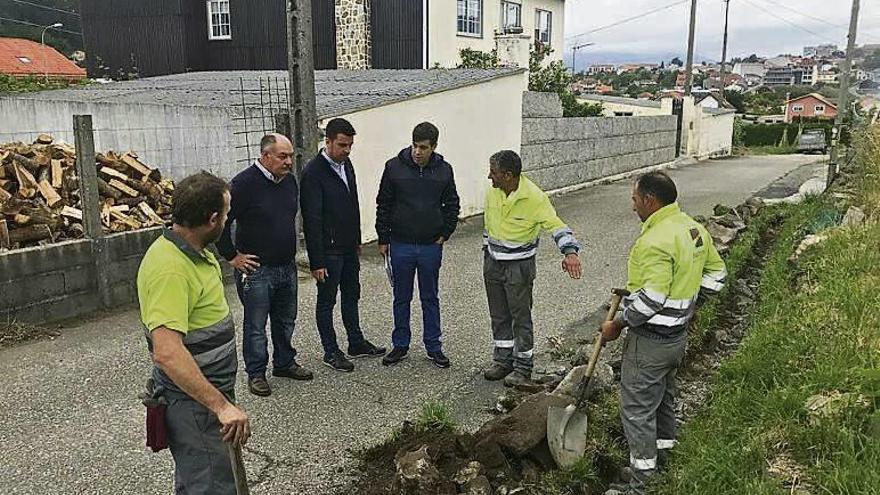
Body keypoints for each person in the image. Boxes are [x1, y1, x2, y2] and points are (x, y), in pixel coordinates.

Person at [600, 172, 727, 495]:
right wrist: (686, 305)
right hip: (677, 338)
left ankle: (642, 483)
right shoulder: (693, 229)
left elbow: (652, 299)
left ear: (649, 200)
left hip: (651, 341)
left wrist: (619, 323)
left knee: (637, 409)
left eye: (634, 200)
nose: (633, 207)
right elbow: (717, 276)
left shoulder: (655, 241)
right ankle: (662, 460)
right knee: (663, 400)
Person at [137, 171, 250, 494]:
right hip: (193, 403)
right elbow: (167, 352)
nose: (228, 220)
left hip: (205, 395)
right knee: (212, 485)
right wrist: (221, 407)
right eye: (226, 214)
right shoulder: (170, 268)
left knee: (203, 480)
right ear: (212, 219)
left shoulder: (195, 251)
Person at [217, 133, 313, 397]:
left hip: (286, 266)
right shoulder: (244, 184)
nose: (289, 161)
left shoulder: (289, 182)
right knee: (256, 325)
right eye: (283, 156)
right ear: (265, 155)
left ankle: (284, 362)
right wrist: (232, 257)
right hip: (257, 270)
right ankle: (256, 373)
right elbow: (221, 222)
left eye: (291, 156)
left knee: (285, 320)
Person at [481, 150, 583, 387]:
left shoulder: (534, 198)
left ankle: (523, 367)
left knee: (520, 317)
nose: (489, 176)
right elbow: (488, 227)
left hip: (519, 267)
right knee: (499, 315)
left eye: (493, 172)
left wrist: (570, 253)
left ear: (507, 175)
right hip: (493, 264)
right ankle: (503, 360)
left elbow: (556, 226)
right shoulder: (492, 193)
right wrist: (487, 253)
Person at [300, 118, 386, 372]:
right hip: (328, 250)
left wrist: (356, 240)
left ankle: (355, 342)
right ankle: (330, 350)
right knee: (327, 301)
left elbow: (352, 205)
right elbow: (312, 219)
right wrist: (317, 260)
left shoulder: (346, 165)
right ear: (327, 142)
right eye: (342, 145)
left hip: (348, 248)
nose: (347, 150)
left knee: (352, 294)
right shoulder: (313, 173)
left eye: (350, 145)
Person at [375, 122, 461, 368]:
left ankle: (434, 346)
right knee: (401, 297)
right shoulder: (393, 167)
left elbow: (452, 203)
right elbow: (384, 203)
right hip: (400, 243)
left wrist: (446, 232)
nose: (417, 151)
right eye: (415, 145)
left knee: (430, 297)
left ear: (434, 147)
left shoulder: (444, 171)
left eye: (423, 147)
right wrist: (383, 238)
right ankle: (400, 344)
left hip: (430, 246)